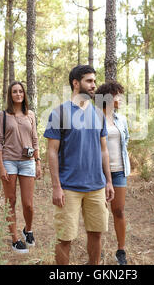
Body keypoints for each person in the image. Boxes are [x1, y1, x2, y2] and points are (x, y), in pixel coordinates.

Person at [44, 65, 115, 265]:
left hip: (96, 187)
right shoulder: (59, 113)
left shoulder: (99, 115)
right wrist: (56, 187)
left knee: (96, 235)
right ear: (76, 83)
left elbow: (104, 150)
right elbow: (52, 151)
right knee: (65, 238)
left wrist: (108, 181)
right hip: (69, 188)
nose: (94, 85)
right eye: (89, 81)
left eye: (94, 81)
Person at [0, 81, 42, 254]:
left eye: (20, 91)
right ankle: (15, 239)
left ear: (24, 94)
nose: (18, 94)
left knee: (28, 204)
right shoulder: (2, 115)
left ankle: (27, 230)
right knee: (11, 201)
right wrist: (1, 166)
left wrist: (38, 162)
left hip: (28, 161)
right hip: (9, 161)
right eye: (14, 92)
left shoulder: (30, 115)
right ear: (10, 95)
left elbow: (35, 140)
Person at [95, 81, 131, 265]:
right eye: (117, 95)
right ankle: (97, 250)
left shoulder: (121, 119)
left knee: (119, 211)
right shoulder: (95, 118)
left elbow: (126, 140)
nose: (120, 98)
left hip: (119, 171)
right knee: (100, 213)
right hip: (99, 172)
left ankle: (121, 251)